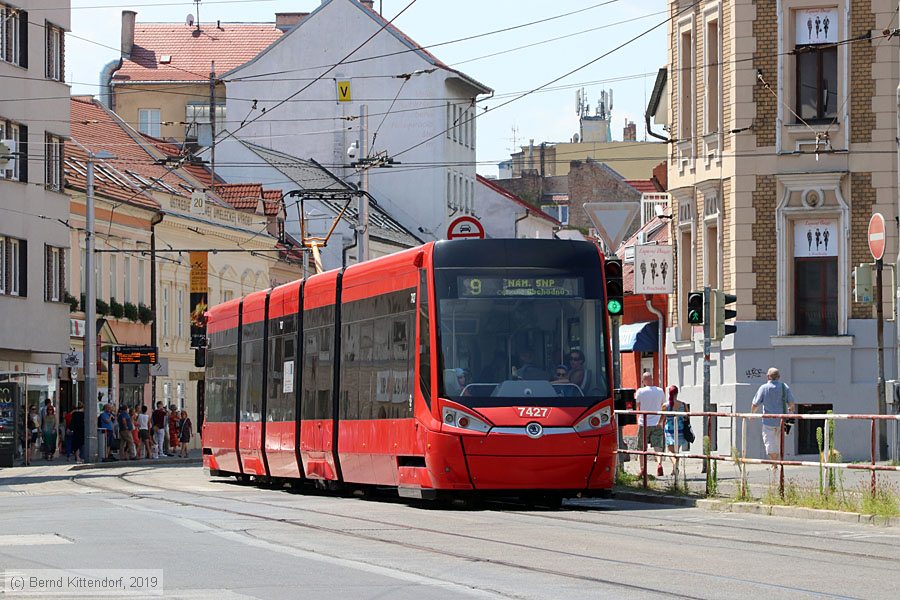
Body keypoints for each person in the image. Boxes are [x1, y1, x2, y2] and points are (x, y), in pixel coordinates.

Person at [751, 367, 796, 467]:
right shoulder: (784, 387)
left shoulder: (763, 388)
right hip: (782, 421)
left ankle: (775, 465)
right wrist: (791, 411)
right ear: (779, 377)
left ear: (768, 377)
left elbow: (755, 404)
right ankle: (777, 465)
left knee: (769, 444)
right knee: (779, 445)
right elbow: (791, 403)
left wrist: (752, 414)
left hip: (768, 422)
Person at [635, 371, 665, 477]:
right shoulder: (660, 391)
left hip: (644, 423)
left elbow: (637, 406)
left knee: (641, 448)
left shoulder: (640, 391)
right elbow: (663, 405)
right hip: (657, 422)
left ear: (643, 381)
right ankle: (659, 464)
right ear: (652, 379)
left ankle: (643, 469)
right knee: (658, 446)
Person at [661, 385, 689, 476]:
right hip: (680, 429)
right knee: (677, 451)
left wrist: (658, 424)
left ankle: (675, 466)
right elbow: (687, 416)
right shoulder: (683, 404)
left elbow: (662, 417)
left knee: (670, 451)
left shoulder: (665, 405)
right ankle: (675, 469)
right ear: (677, 393)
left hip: (670, 429)